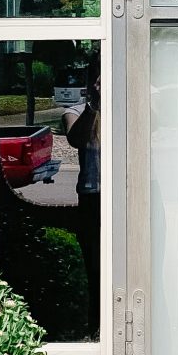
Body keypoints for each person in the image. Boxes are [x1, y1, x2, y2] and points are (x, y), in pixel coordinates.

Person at [64, 65, 102, 324]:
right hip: (93, 198)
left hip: (130, 195)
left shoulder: (130, 103)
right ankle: (96, 327)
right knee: (95, 267)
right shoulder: (76, 111)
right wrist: (94, 105)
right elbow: (76, 139)